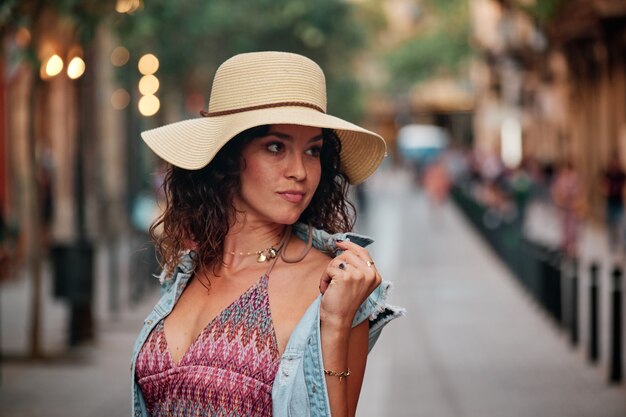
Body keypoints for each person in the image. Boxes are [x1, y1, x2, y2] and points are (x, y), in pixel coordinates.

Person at [130, 51, 403, 417]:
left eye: (313, 151)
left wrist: (336, 323)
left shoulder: (333, 288)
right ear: (227, 157)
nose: (300, 171)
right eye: (276, 147)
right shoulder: (185, 274)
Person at [550, 160, 584, 258]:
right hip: (566, 207)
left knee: (573, 228)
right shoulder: (564, 177)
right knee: (567, 228)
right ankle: (568, 247)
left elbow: (580, 191)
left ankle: (572, 248)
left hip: (574, 207)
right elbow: (558, 191)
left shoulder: (574, 177)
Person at [601, 154, 626, 253]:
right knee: (611, 225)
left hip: (619, 203)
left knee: (622, 224)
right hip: (610, 203)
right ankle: (612, 245)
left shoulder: (621, 174)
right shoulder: (608, 173)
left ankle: (623, 244)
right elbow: (603, 185)